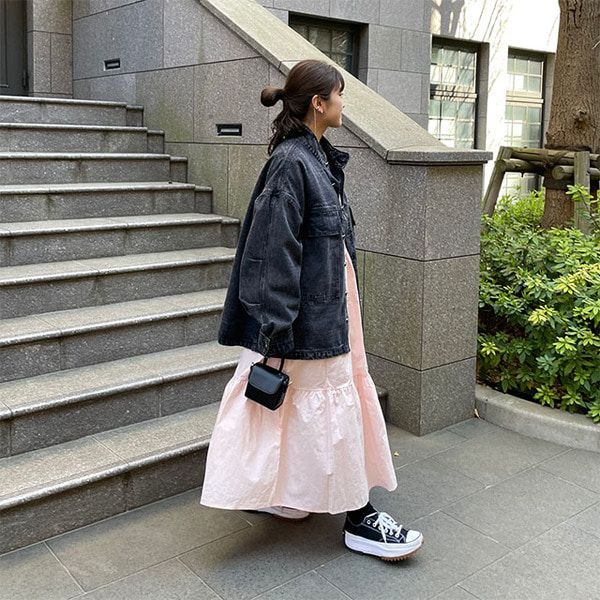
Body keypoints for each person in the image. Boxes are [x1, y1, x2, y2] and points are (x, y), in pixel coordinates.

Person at [200, 59, 423, 561]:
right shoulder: (292, 163)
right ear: (319, 104)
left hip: (327, 311)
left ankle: (290, 496)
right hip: (305, 321)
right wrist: (277, 330)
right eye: (340, 94)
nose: (345, 103)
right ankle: (359, 518)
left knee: (305, 409)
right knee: (324, 411)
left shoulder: (317, 158)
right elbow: (270, 251)